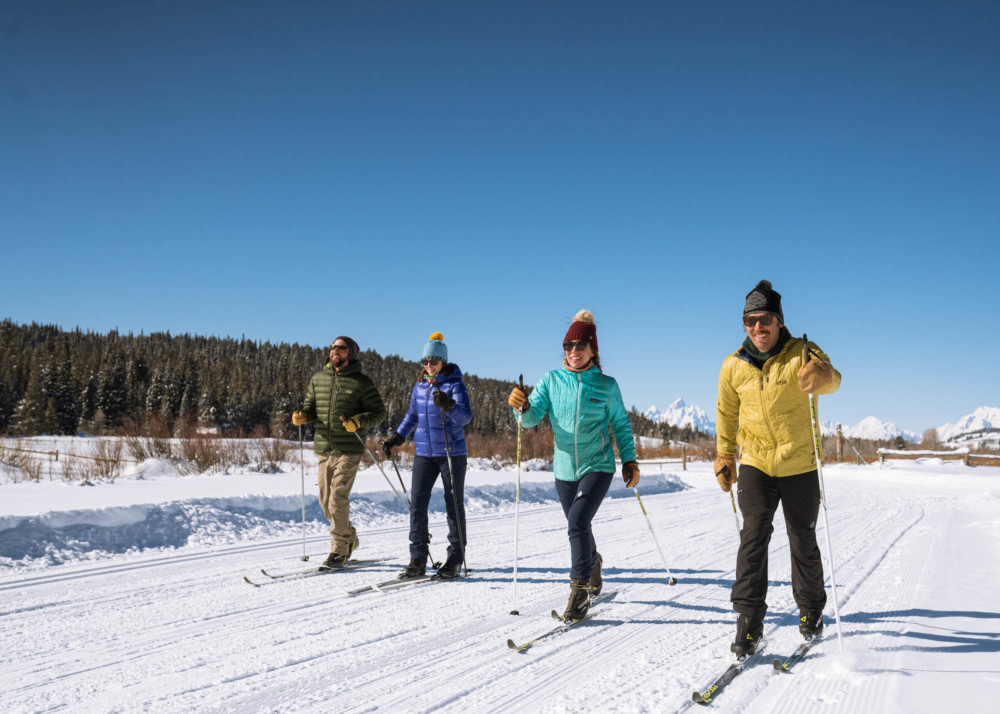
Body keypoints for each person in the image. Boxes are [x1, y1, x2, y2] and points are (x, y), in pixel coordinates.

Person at [715, 280, 841, 657]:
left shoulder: (802, 351)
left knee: (802, 539)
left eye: (765, 319)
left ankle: (811, 611)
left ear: (779, 321)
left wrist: (823, 377)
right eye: (750, 321)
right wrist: (725, 456)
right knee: (752, 538)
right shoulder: (733, 366)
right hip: (755, 463)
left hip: (799, 462)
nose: (758, 327)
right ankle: (749, 624)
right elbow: (726, 413)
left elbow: (834, 379)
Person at [507, 310, 640, 621]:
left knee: (577, 523)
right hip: (564, 470)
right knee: (580, 525)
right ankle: (593, 562)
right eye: (568, 346)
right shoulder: (551, 381)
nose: (574, 351)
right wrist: (521, 407)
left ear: (592, 348)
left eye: (581, 345)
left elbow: (620, 424)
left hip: (599, 465)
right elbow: (530, 418)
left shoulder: (606, 385)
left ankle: (579, 591)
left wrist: (629, 458)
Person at [381, 332, 473, 580]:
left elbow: (466, 417)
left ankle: (455, 557)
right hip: (423, 453)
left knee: (453, 505)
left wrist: (449, 405)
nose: (429, 366)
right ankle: (417, 558)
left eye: (433, 361)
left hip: (451, 453)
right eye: (425, 362)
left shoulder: (455, 385)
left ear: (443, 361)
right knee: (417, 505)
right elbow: (412, 417)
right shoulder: (420, 387)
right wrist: (397, 438)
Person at [293, 336, 387, 569]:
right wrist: (303, 416)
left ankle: (339, 550)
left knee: (337, 499)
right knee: (326, 502)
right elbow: (311, 408)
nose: (335, 351)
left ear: (351, 353)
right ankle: (350, 538)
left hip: (349, 448)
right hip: (324, 447)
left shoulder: (361, 382)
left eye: (341, 348)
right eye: (333, 347)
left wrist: (358, 421)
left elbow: (378, 412)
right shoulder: (318, 379)